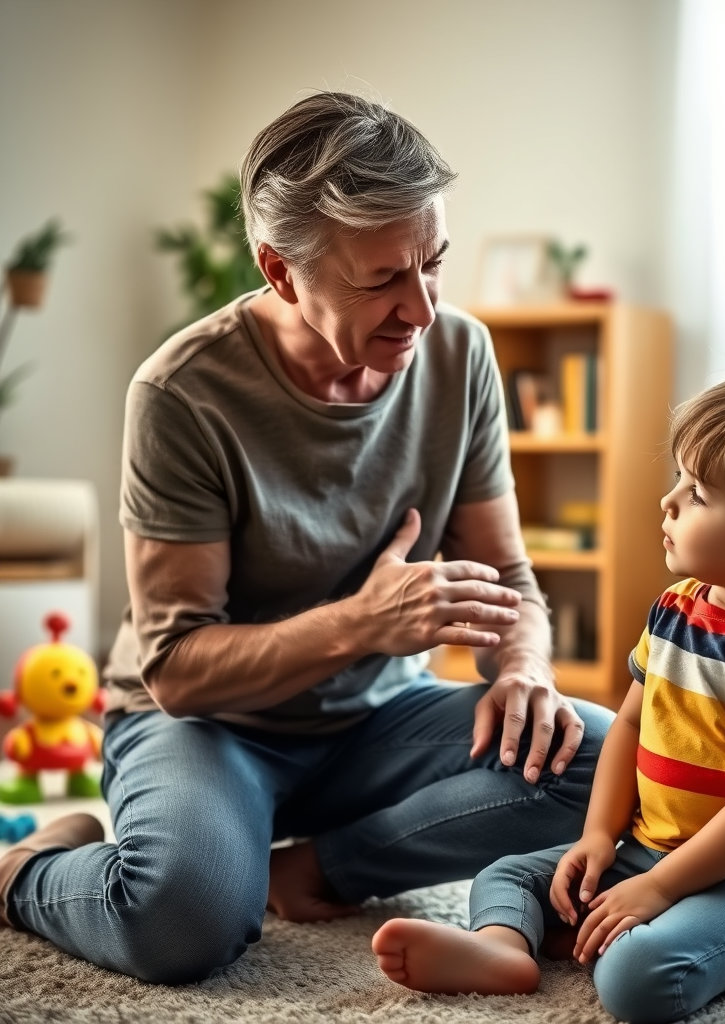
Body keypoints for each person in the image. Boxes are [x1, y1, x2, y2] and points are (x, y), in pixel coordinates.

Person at [0, 91, 611, 983]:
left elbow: (506, 574)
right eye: (382, 280)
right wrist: (359, 625)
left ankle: (315, 868)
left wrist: (524, 670)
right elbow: (174, 669)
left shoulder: (461, 356)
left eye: (432, 264)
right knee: (183, 922)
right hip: (211, 727)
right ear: (282, 272)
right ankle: (26, 868)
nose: (424, 309)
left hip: (377, 721)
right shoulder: (182, 393)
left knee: (603, 764)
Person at [372, 351, 725, 1022]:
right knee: (509, 875)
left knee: (637, 977)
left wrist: (659, 889)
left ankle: (612, 940)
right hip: (647, 850)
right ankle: (503, 951)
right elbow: (630, 728)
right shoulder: (676, 610)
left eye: (696, 494)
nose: (667, 502)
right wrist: (599, 837)